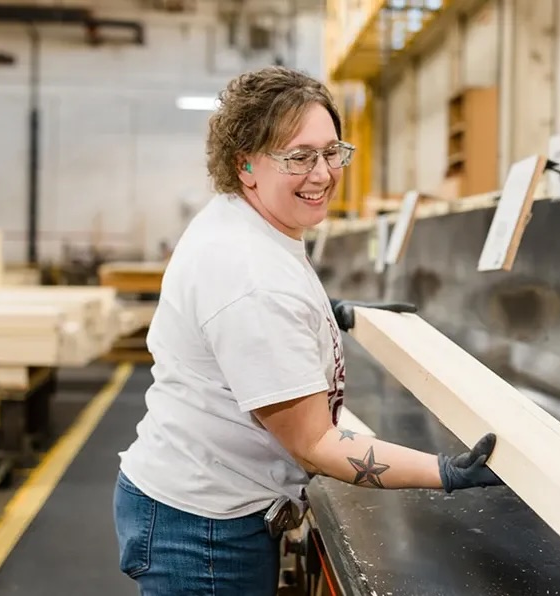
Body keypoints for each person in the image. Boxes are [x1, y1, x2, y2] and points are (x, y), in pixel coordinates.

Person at [113, 65, 505, 595]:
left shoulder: (245, 219)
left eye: (331, 152)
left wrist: (326, 312)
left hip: (203, 501)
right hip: (204, 530)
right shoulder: (250, 277)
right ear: (245, 164)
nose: (322, 173)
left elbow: (250, 314)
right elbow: (315, 443)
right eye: (299, 156)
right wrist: (444, 471)